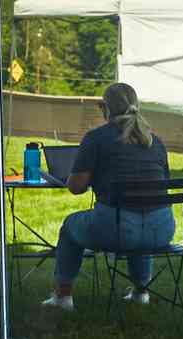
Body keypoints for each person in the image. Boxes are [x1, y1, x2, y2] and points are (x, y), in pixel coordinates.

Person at [41, 81, 173, 310]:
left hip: (119, 230)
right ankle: (141, 293)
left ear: (105, 109)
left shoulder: (96, 138)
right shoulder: (156, 142)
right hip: (161, 230)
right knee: (137, 215)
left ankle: (62, 297)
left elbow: (76, 187)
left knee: (70, 227)